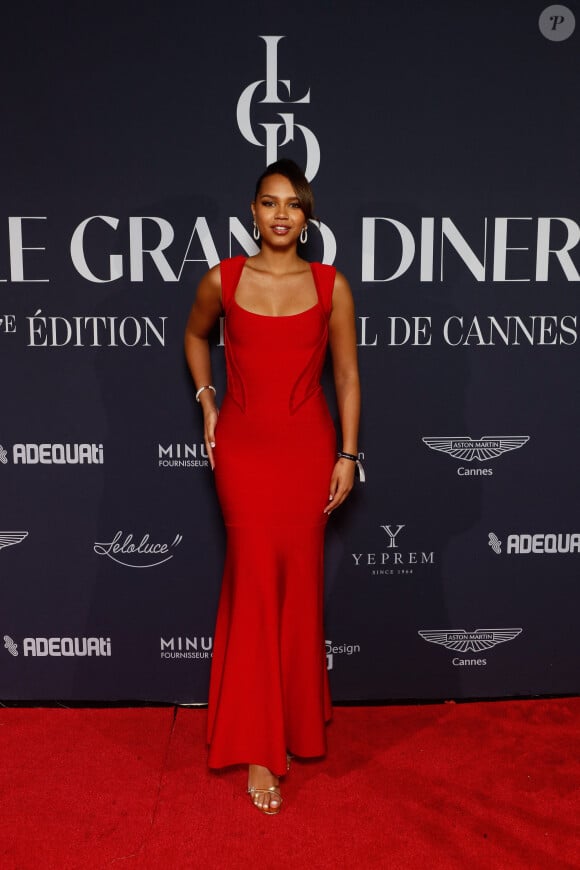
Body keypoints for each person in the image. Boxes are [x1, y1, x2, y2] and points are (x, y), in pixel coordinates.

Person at [184, 158, 360, 815]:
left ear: (307, 219)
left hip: (308, 449)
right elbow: (195, 336)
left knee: (300, 582)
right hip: (245, 452)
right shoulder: (221, 280)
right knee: (255, 579)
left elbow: (345, 376)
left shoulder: (331, 285)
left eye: (294, 204)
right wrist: (207, 400)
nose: (281, 213)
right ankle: (262, 747)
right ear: (252, 213)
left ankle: (297, 718)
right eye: (269, 202)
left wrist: (347, 453)